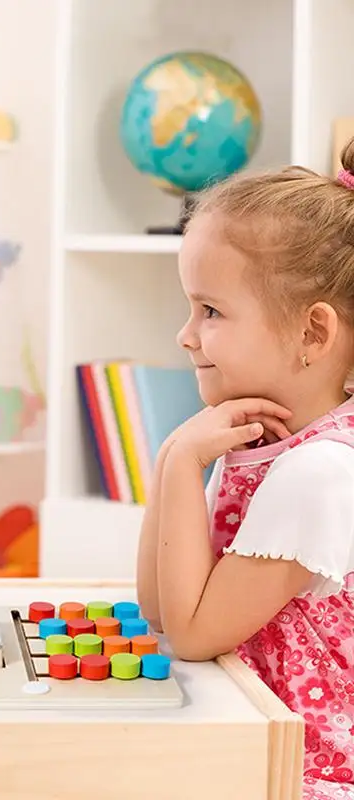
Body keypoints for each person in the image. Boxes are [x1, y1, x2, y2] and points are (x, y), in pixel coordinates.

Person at [137, 138, 354, 800]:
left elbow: (196, 634)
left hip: (308, 776)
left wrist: (179, 467)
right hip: (256, 743)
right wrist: (179, 454)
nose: (186, 334)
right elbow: (163, 610)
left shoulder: (318, 473)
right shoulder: (264, 443)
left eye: (211, 310)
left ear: (312, 335)